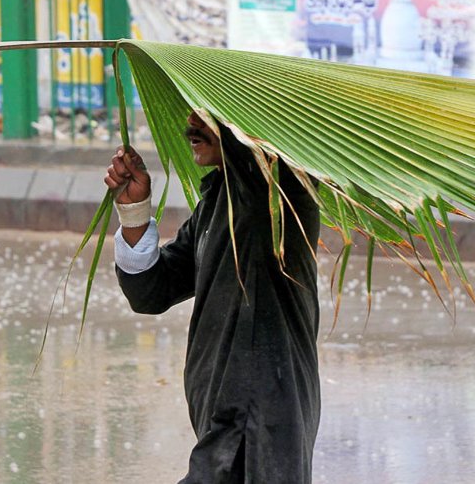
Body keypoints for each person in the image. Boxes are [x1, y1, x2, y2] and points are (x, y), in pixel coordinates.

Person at [105, 112, 321, 483]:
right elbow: (153, 291)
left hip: (257, 421)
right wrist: (134, 211)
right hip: (226, 417)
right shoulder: (218, 200)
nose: (190, 123)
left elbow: (254, 155)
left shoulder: (277, 190)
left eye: (207, 110)